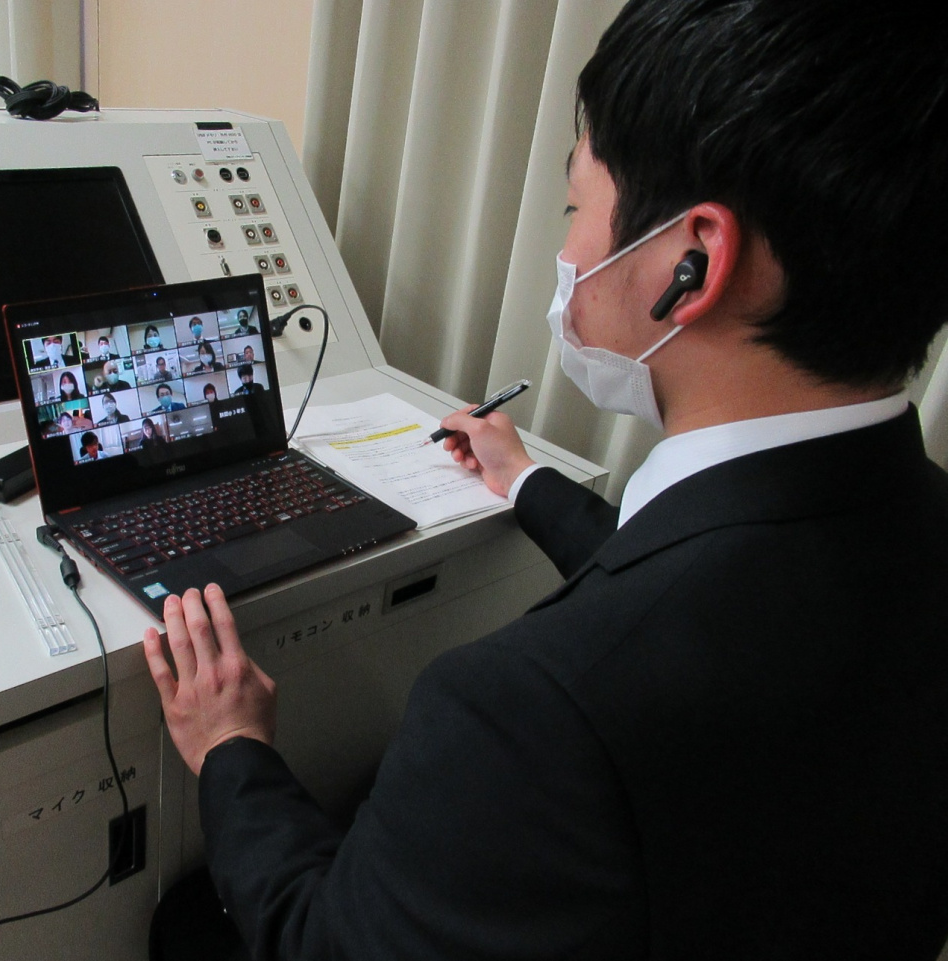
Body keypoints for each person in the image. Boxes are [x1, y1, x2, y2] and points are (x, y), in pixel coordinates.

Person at [140, 2, 948, 959]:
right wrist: (524, 479)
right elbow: (711, 596)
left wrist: (229, 744)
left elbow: (324, 945)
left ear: (692, 261)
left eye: (577, 210)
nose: (567, 255)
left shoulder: (522, 712)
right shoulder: (904, 522)